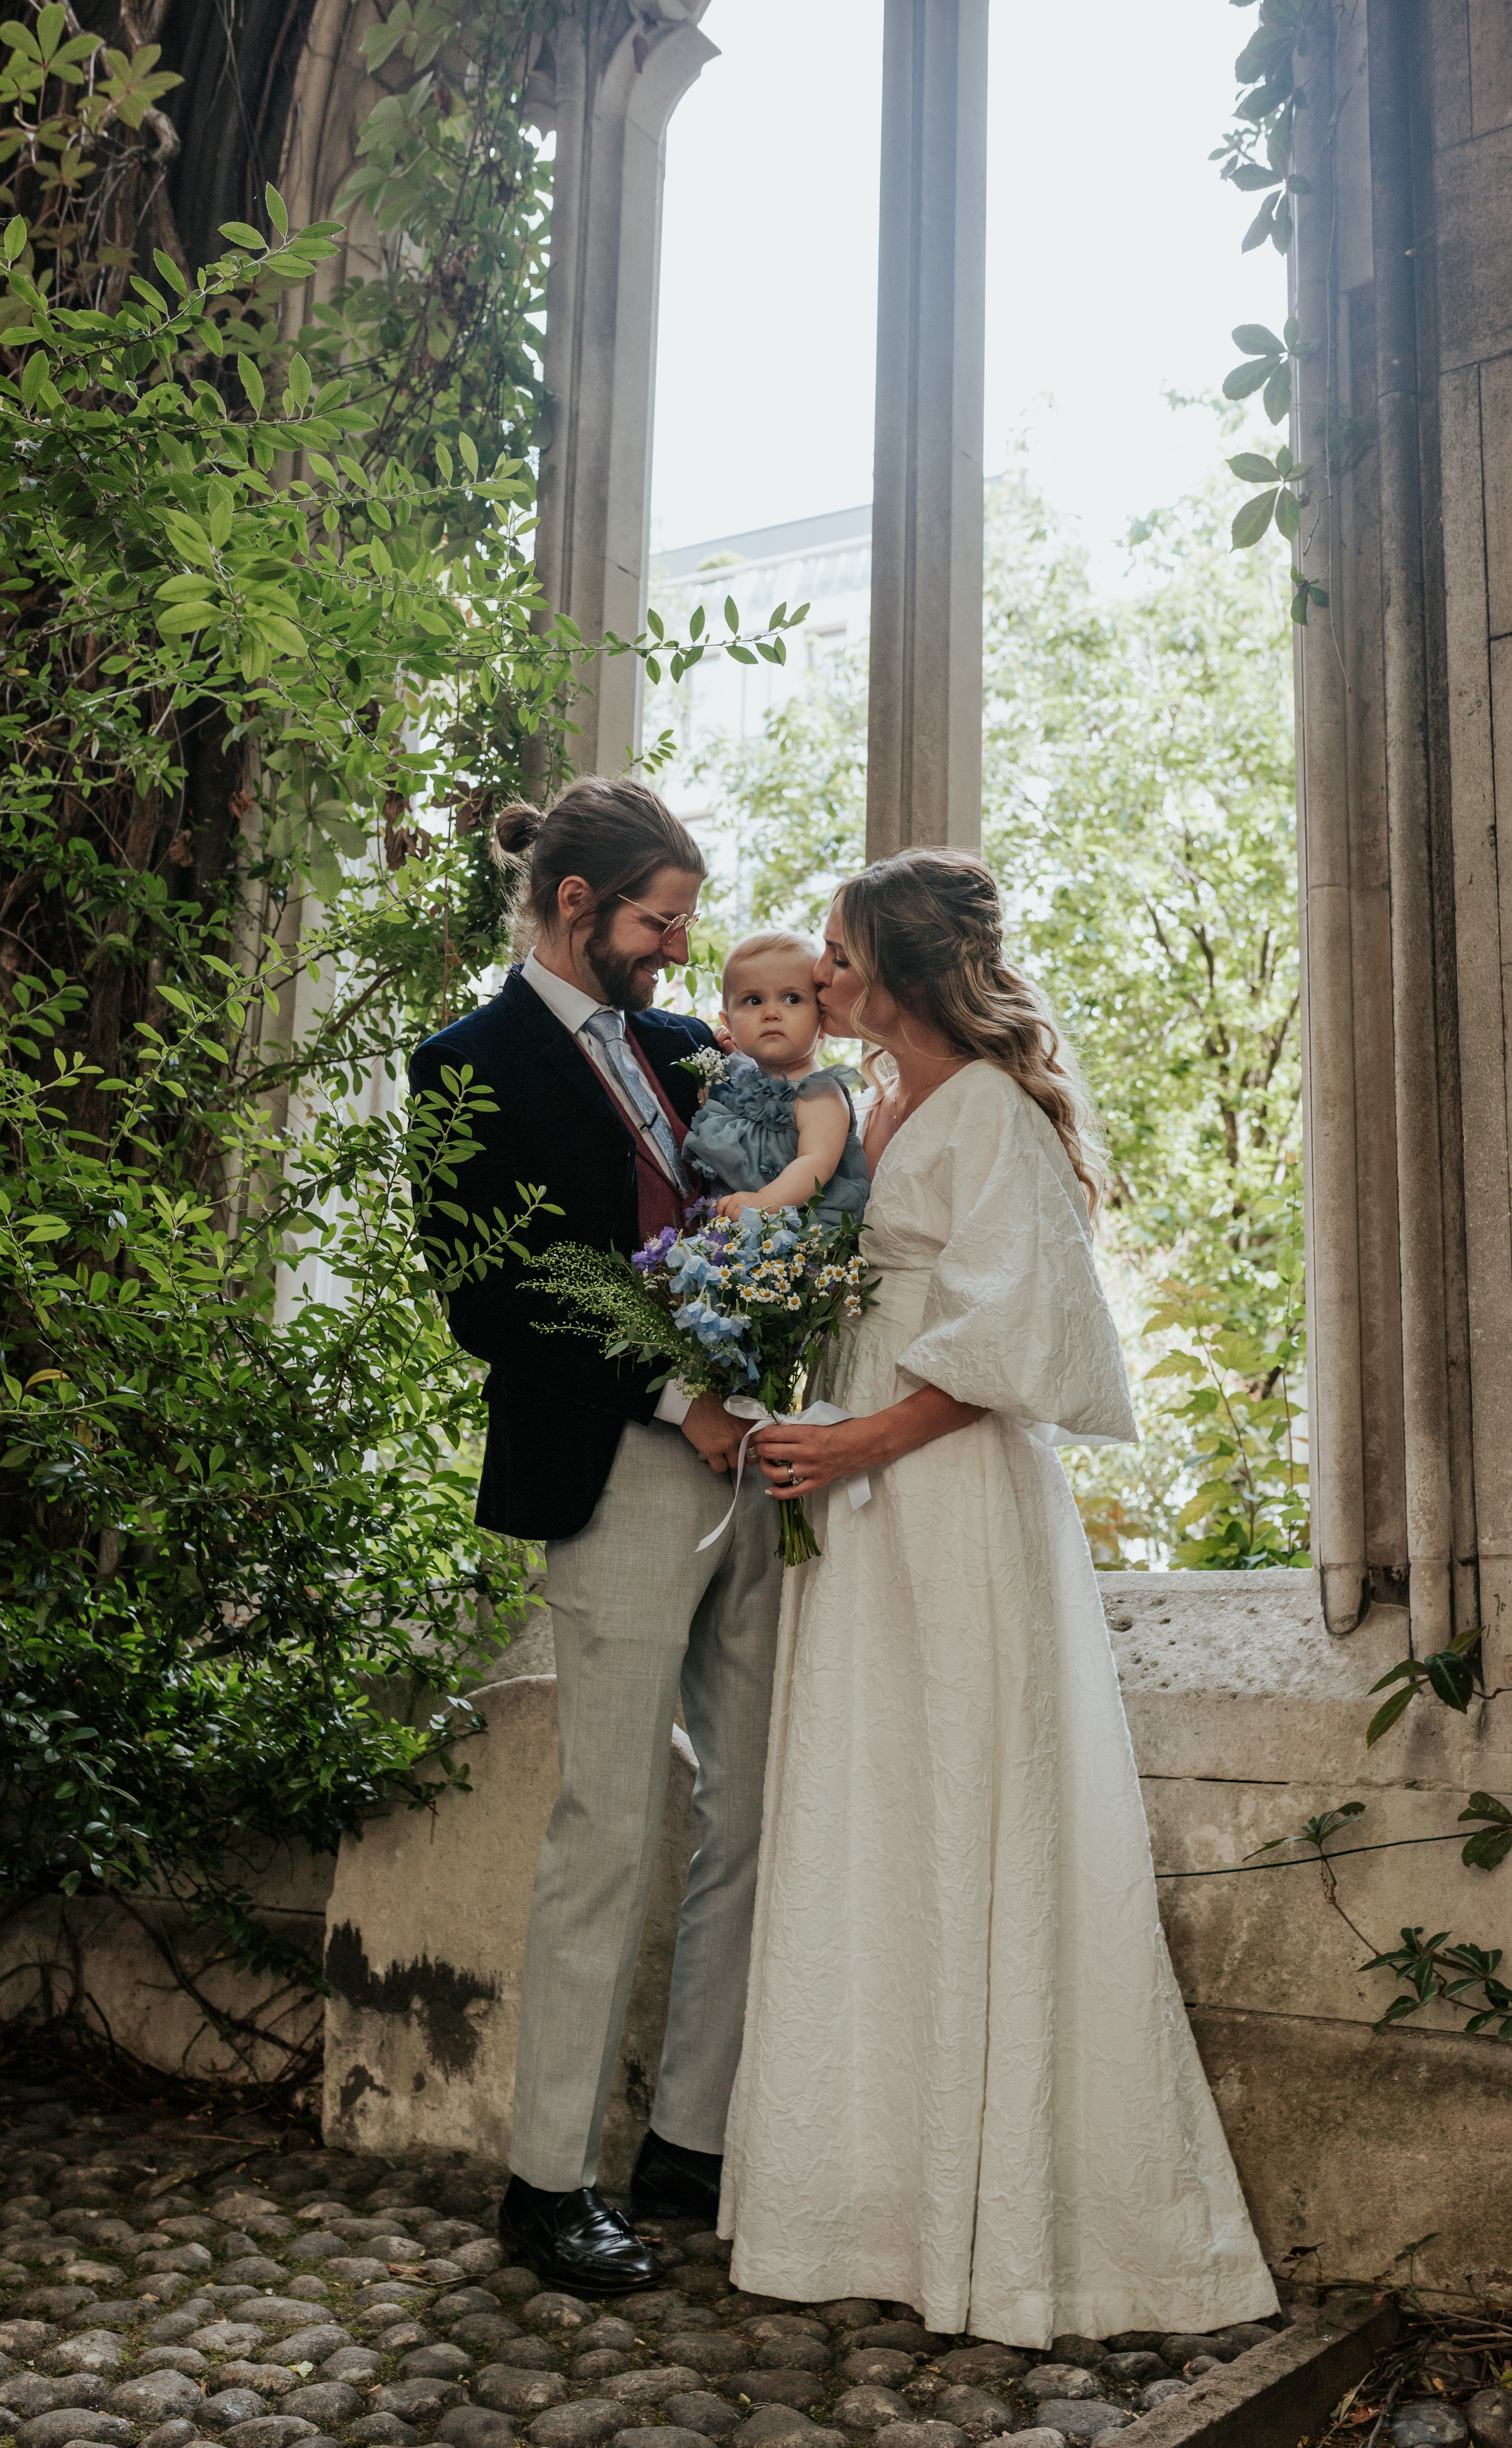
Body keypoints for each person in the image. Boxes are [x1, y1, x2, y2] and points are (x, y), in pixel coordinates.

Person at [719, 847, 1278, 2347]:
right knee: (878, 1816)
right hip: (860, 1504)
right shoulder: (868, 1111)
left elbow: (1015, 1345)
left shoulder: (984, 1112)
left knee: (968, 1805)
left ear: (897, 966)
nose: (819, 980)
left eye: (837, 955)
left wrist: (851, 1438)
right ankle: (874, 2203)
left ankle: (1019, 2229)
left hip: (948, 1508)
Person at [408, 776, 781, 2295]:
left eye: (685, 926)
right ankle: (547, 2183)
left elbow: (787, 1194)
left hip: (754, 1472)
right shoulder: (460, 1069)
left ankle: (686, 2145)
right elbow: (486, 1303)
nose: (677, 955)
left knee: (749, 1805)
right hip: (613, 1472)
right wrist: (670, 1392)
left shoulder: (694, 1053)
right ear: (576, 908)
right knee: (607, 1828)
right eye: (658, 923)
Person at [681, 926, 870, 1228]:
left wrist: (764, 1203)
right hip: (739, 1222)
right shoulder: (747, 1075)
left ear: (822, 1018)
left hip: (797, 1223)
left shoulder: (819, 1092)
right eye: (753, 1001)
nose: (771, 1013)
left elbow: (817, 1162)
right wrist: (736, 1052)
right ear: (729, 1022)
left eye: (792, 999)